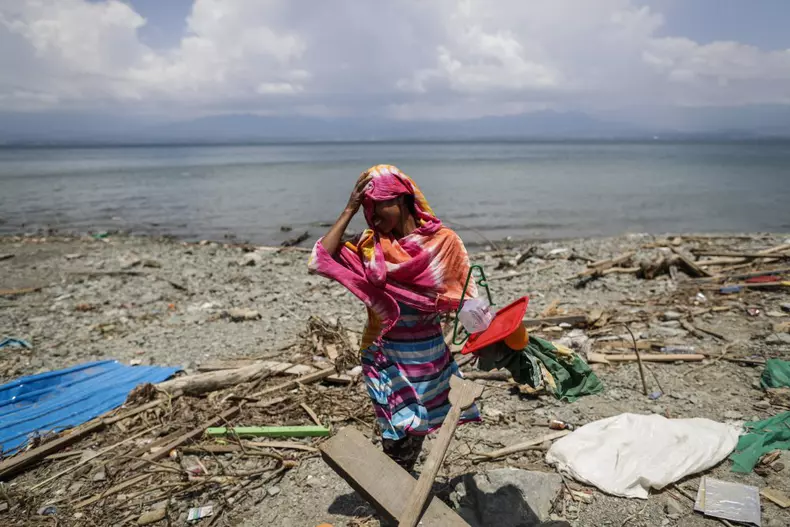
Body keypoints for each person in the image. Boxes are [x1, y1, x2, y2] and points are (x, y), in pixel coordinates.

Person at [308, 164, 481, 472]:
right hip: (383, 354)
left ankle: (396, 492)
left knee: (417, 429)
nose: (373, 217)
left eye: (378, 207)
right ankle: (394, 493)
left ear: (402, 200)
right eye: (367, 209)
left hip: (429, 356)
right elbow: (319, 259)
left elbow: (468, 298)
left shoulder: (444, 243)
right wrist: (349, 209)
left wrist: (493, 340)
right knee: (397, 430)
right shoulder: (368, 244)